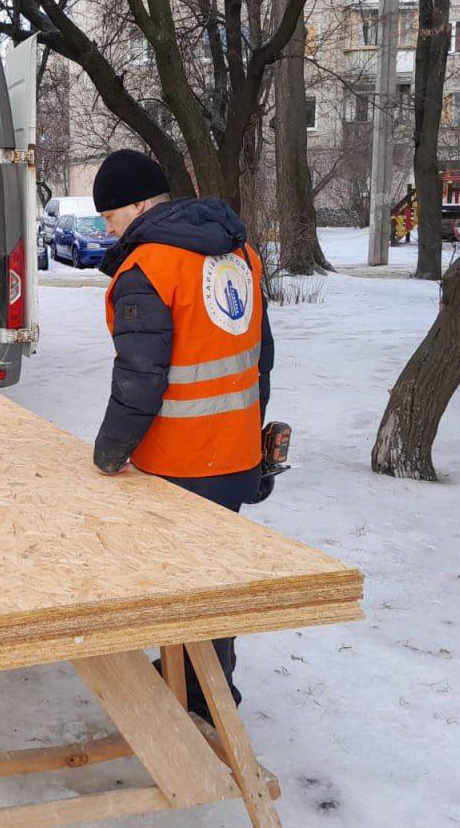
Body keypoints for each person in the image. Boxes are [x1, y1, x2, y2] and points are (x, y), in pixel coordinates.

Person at [90, 148, 274, 723]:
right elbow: (261, 353)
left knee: (183, 583)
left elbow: (141, 378)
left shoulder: (150, 267)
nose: (107, 226)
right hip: (233, 452)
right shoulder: (237, 252)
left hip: (179, 461)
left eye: (111, 214)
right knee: (207, 579)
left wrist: (109, 452)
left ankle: (202, 704)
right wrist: (247, 429)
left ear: (141, 205)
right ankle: (194, 688)